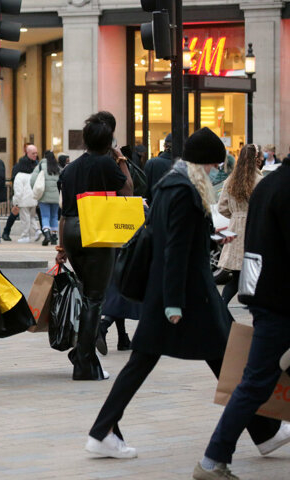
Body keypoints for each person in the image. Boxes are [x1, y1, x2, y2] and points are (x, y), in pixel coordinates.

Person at [84, 127, 282, 461]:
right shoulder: (183, 189)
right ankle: (264, 431)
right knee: (215, 357)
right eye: (212, 166)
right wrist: (173, 302)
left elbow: (180, 239)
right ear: (202, 163)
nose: (215, 171)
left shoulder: (175, 185)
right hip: (184, 298)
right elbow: (173, 249)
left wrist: (213, 239)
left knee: (177, 361)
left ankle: (264, 431)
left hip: (180, 296)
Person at [193, 149, 290, 480]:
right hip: (281, 302)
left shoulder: (270, 185)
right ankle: (212, 459)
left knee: (254, 383)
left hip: (265, 295)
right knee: (254, 383)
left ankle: (213, 458)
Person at [56, 112, 133, 381]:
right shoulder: (107, 164)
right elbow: (129, 191)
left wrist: (61, 247)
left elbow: (64, 213)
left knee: (88, 291)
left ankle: (82, 353)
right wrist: (121, 159)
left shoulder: (70, 169)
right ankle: (84, 363)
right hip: (97, 230)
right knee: (94, 298)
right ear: (108, 141)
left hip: (73, 232)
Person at [217, 144, 264, 305]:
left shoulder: (231, 179)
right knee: (256, 275)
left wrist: (236, 215)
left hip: (236, 229)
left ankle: (221, 305)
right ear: (256, 159)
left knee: (237, 277)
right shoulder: (260, 180)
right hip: (254, 229)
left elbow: (222, 207)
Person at [2, 144, 39, 241]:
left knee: (27, 217)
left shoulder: (34, 165)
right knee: (27, 217)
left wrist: (16, 200)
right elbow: (17, 185)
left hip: (27, 197)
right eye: (33, 153)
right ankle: (35, 232)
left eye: (36, 153)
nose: (35, 155)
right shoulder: (22, 167)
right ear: (27, 153)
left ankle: (28, 234)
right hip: (29, 197)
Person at [31, 150, 61, 246]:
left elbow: (32, 181)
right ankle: (54, 236)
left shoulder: (40, 166)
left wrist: (35, 190)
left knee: (45, 216)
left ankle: (47, 234)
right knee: (54, 216)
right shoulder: (58, 168)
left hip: (43, 196)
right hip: (56, 196)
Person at [143, 133, 173, 204]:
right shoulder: (184, 164)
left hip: (155, 207)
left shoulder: (152, 163)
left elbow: (145, 189)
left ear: (164, 146)